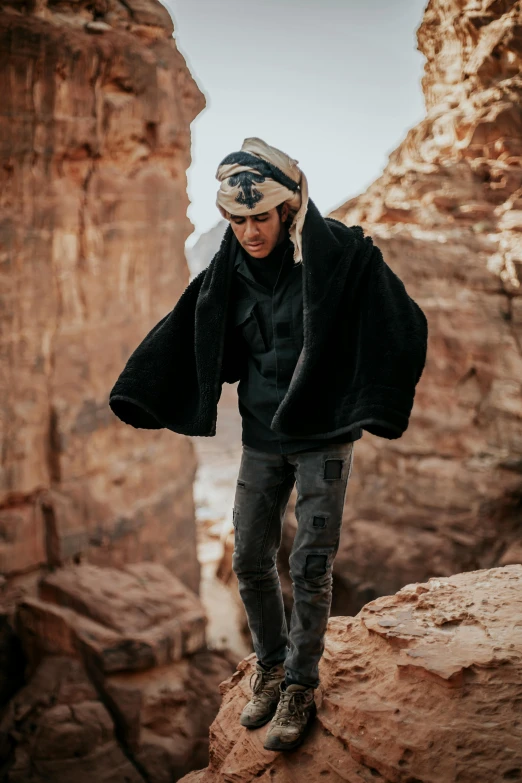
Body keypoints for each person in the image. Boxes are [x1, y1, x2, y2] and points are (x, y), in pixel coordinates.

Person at [109, 137, 428, 752]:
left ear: (289, 209)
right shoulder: (226, 271)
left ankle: (302, 685)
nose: (250, 231)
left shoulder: (340, 257)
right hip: (260, 440)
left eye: (261, 217)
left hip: (324, 441)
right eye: (237, 219)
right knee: (251, 559)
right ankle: (272, 666)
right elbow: (185, 331)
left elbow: (402, 323)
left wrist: (373, 401)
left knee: (309, 565)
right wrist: (143, 394)